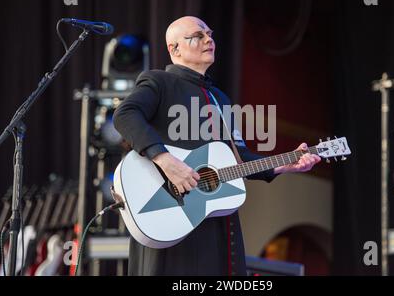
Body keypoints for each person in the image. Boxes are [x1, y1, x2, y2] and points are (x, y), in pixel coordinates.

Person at [113, 16, 321, 276]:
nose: (208, 39)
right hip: (168, 213)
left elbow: (237, 158)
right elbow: (124, 114)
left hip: (213, 217)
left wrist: (283, 164)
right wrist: (165, 160)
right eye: (197, 36)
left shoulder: (219, 98)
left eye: (210, 34)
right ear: (174, 48)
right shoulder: (158, 82)